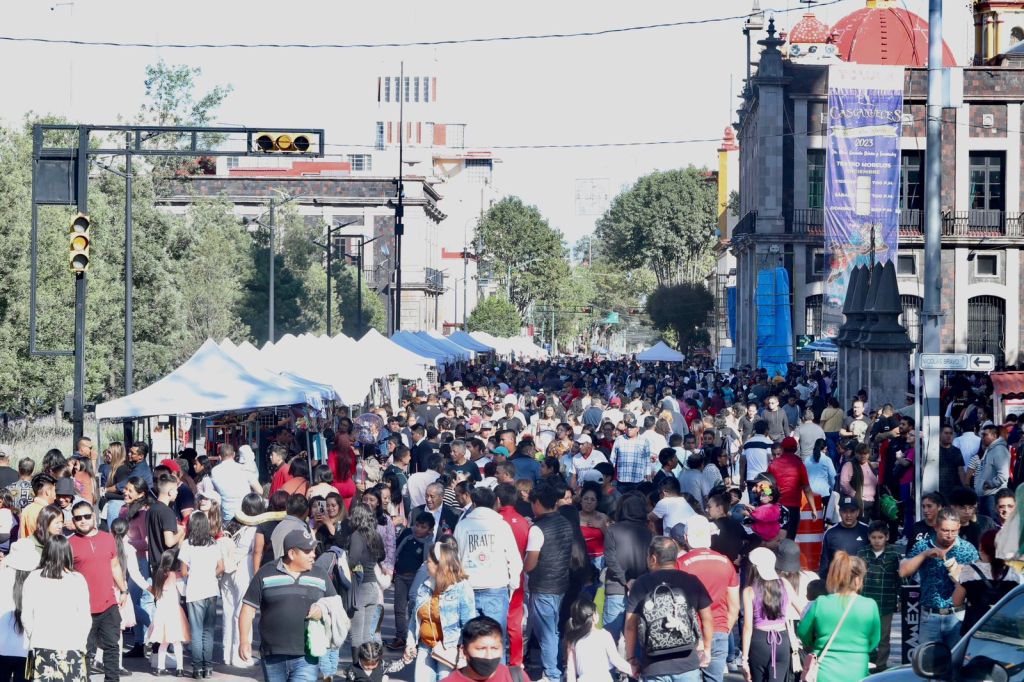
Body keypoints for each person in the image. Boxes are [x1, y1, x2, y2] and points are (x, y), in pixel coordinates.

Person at [239, 529, 337, 682]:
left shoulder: (320, 575)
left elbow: (336, 606)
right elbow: (248, 608)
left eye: (313, 550)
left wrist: (323, 610)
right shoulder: (266, 573)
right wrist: (244, 641)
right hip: (273, 655)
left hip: (307, 656)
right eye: (307, 551)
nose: (313, 554)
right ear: (292, 554)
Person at [624, 536, 714, 682]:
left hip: (653, 666)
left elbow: (630, 625)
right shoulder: (691, 580)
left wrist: (631, 658)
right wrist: (707, 649)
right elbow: (707, 618)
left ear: (653, 559)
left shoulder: (641, 583)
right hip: (687, 664)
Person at [900, 507, 980, 650]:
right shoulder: (923, 546)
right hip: (930, 615)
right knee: (928, 664)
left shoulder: (967, 549)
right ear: (936, 527)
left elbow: (978, 582)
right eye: (945, 530)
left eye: (953, 531)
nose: (949, 535)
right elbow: (903, 571)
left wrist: (962, 573)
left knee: (957, 663)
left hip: (958, 616)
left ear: (959, 528)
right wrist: (924, 555)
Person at [673, 516, 739, 682]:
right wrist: (725, 629)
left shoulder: (679, 564)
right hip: (719, 630)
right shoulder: (726, 562)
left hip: (688, 633)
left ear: (686, 538)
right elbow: (734, 606)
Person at [797, 551, 880, 682]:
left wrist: (816, 645)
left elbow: (803, 632)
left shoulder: (821, 602)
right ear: (858, 580)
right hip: (857, 669)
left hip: (824, 669)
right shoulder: (870, 605)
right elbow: (874, 640)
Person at [66, 501, 126, 682]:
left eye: (86, 516)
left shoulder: (108, 538)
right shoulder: (69, 544)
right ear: (73, 521)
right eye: (78, 518)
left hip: (108, 604)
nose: (83, 521)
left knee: (111, 647)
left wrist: (124, 590)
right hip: (83, 608)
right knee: (84, 650)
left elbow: (115, 566)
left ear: (94, 516)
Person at [453, 486, 522, 640]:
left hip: (468, 588)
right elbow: (515, 560)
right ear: (496, 503)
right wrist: (512, 586)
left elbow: (454, 560)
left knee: (471, 642)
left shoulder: (462, 526)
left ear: (474, 504)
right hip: (496, 589)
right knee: (496, 642)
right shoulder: (502, 526)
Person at [402, 538, 476, 682]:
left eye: (428, 561)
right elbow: (414, 619)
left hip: (449, 649)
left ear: (439, 565)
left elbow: (470, 625)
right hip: (425, 646)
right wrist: (410, 643)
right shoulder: (425, 585)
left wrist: (463, 650)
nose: (425, 564)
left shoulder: (462, 588)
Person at [21, 535, 92, 682]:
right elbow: (85, 617)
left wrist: (33, 635)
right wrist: (82, 642)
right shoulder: (77, 579)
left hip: (41, 644)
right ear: (68, 553)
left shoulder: (33, 578)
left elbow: (26, 616)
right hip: (72, 644)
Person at [524, 480, 574, 682]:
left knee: (547, 633)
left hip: (543, 585)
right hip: (561, 583)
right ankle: (555, 669)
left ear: (536, 502)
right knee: (553, 629)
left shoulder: (537, 529)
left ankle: (552, 673)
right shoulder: (565, 522)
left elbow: (530, 564)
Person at [177, 511, 224, 678]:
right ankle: (208, 667)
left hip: (194, 591)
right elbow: (221, 567)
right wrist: (210, 574)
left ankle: (197, 668)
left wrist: (193, 574)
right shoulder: (213, 543)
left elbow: (183, 572)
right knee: (208, 631)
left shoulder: (187, 544)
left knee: (196, 631)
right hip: (211, 590)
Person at [602, 492, 653, 643]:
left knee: (611, 636)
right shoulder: (649, 533)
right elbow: (651, 561)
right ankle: (635, 665)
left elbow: (610, 560)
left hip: (615, 586)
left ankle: (609, 667)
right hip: (640, 588)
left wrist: (625, 579)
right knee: (637, 636)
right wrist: (636, 581)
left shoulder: (612, 530)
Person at [952, 529, 1021, 634]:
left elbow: (957, 602)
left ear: (981, 548)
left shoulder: (969, 571)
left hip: (974, 630)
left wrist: (957, 583)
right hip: (1004, 630)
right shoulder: (1013, 573)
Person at [856, 521, 901, 673]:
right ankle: (866, 663)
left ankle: (881, 666)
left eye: (880, 537)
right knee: (865, 635)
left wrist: (901, 598)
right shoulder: (862, 553)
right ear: (869, 537)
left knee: (884, 637)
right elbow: (856, 576)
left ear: (887, 537)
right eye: (874, 537)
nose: (877, 540)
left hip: (886, 602)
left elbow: (900, 578)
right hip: (865, 600)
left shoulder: (894, 554)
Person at [740, 547, 790, 682]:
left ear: (753, 567)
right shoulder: (784, 584)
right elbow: (802, 609)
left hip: (760, 641)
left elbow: (747, 628)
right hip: (783, 640)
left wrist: (744, 659)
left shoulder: (749, 591)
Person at [387, 511, 435, 651]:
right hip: (401, 576)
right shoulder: (407, 534)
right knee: (399, 608)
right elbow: (395, 549)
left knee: (414, 607)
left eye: (423, 527)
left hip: (417, 578)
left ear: (430, 530)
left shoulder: (429, 543)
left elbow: (427, 563)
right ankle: (401, 637)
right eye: (417, 525)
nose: (418, 529)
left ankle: (414, 636)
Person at [347, 503, 387, 661]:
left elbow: (353, 560)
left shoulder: (357, 535)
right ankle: (367, 667)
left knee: (356, 633)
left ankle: (357, 669)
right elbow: (382, 556)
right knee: (367, 634)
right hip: (373, 587)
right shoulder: (375, 535)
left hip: (361, 587)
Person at [563, 597, 632, 682]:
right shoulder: (604, 635)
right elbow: (616, 661)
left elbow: (571, 669)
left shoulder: (573, 640)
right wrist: (634, 671)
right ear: (594, 616)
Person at [146, 550, 190, 676]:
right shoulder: (176, 576)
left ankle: (160, 668)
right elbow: (183, 592)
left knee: (163, 643)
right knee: (176, 642)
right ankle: (180, 669)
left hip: (161, 612)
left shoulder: (158, 575)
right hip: (174, 613)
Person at [441, 616, 523, 682]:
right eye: (481, 649)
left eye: (494, 648)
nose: (489, 656)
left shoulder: (515, 676)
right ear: (464, 651)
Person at [766, 437, 816, 541]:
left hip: (777, 506)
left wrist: (769, 500)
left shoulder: (773, 465)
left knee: (775, 537)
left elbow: (766, 484)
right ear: (796, 448)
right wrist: (813, 508)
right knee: (790, 537)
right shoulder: (799, 465)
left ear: (782, 448)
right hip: (794, 507)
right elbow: (806, 488)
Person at [209, 444, 261, 522]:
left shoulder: (214, 471)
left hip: (227, 515)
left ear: (220, 457)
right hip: (246, 513)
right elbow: (260, 491)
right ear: (233, 454)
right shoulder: (244, 469)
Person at [147, 475, 185, 573]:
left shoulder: (151, 509)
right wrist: (181, 531)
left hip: (154, 564)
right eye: (176, 490)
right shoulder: (167, 512)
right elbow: (169, 542)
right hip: (167, 566)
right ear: (170, 492)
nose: (177, 492)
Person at [975, 425, 1010, 519]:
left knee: (993, 525)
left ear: (994, 436)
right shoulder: (991, 450)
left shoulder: (999, 450)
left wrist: (989, 484)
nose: (982, 438)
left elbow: (1003, 475)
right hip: (986, 495)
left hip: (993, 496)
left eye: (985, 435)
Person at [18, 474, 55, 540]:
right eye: (54, 490)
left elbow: (22, 535)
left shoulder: (27, 509)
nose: (55, 494)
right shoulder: (46, 512)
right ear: (48, 492)